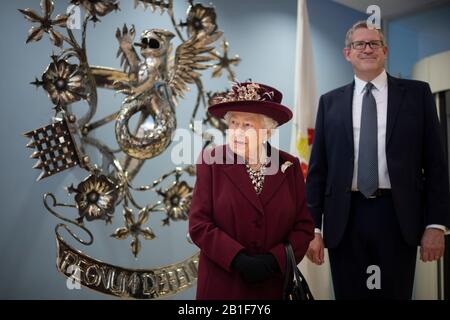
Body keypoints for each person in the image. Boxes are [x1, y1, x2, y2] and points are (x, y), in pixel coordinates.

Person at [305, 21, 450, 299]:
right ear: (347, 53)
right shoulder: (329, 102)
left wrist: (435, 224)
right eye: (359, 44)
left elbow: (435, 164)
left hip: (398, 217)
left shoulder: (417, 94)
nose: (367, 49)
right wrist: (313, 228)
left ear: (385, 51)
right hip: (344, 219)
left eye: (374, 44)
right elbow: (318, 172)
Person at [188, 82, 314, 299]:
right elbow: (199, 224)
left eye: (247, 125)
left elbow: (303, 227)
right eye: (233, 123)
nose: (237, 132)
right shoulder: (211, 161)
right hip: (224, 283)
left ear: (267, 131)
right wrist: (237, 258)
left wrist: (276, 260)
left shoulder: (289, 165)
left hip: (273, 285)